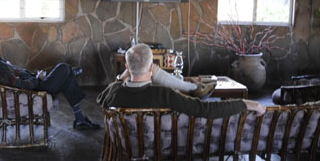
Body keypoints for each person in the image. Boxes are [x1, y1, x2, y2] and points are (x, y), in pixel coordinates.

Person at [0, 27, 100, 131]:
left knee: (65, 77)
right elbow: (17, 84)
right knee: (63, 68)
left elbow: (14, 76)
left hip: (29, 85)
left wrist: (34, 75)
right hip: (30, 91)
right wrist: (37, 80)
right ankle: (70, 75)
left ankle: (80, 119)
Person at [97, 43, 266, 119]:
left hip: (126, 148)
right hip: (160, 148)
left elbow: (100, 98)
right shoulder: (163, 95)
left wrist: (122, 77)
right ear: (151, 68)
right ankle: (192, 87)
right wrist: (247, 103)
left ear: (126, 66)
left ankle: (191, 87)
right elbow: (205, 110)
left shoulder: (113, 92)